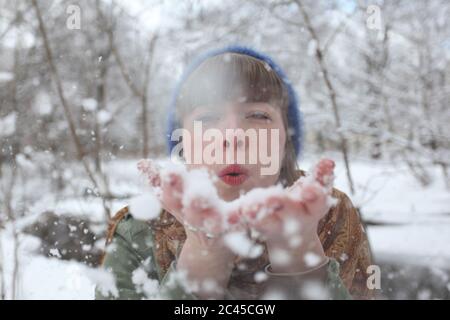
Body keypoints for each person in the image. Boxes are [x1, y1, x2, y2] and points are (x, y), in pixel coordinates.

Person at [95, 46, 374, 300]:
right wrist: (202, 263)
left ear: (285, 139)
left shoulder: (331, 214)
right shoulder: (139, 229)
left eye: (258, 115)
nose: (233, 135)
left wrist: (299, 256)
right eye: (206, 118)